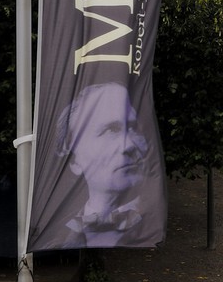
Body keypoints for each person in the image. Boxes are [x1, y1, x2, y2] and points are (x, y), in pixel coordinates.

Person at [41, 81, 166, 249]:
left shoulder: (154, 224)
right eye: (111, 130)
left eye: (133, 128)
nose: (129, 145)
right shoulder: (56, 232)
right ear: (74, 160)